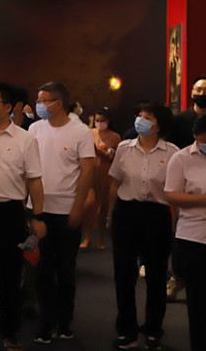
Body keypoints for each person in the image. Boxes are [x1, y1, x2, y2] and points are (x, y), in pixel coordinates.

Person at [0, 82, 45, 350]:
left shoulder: (25, 139)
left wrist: (37, 216)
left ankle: (10, 331)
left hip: (9, 213)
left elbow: (35, 181)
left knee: (8, 276)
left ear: (8, 107)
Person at [107, 103, 178, 350]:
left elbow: (176, 192)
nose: (141, 119)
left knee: (156, 276)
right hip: (126, 213)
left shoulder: (172, 152)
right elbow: (114, 184)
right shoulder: (124, 148)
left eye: (148, 117)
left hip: (156, 216)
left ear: (159, 125)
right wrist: (109, 216)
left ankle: (153, 330)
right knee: (123, 275)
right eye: (139, 115)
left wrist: (178, 224)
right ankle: (127, 331)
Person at [28, 82, 95, 343]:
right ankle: (46, 323)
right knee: (42, 270)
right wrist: (30, 209)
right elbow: (28, 169)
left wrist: (78, 206)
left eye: (44, 100)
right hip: (39, 209)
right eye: (38, 99)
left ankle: (65, 322)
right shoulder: (35, 129)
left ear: (59, 103)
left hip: (67, 210)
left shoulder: (80, 131)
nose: (39, 105)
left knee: (66, 270)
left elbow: (87, 171)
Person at [164, 114, 206, 351]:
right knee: (197, 300)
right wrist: (202, 199)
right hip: (192, 235)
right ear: (194, 136)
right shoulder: (181, 158)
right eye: (203, 140)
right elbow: (171, 194)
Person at [80, 107, 121, 249]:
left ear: (108, 120)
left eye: (102, 120)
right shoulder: (89, 133)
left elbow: (115, 158)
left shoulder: (115, 137)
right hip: (90, 173)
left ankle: (101, 239)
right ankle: (87, 237)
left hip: (106, 174)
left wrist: (100, 151)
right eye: (97, 120)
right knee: (88, 205)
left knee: (103, 207)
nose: (99, 123)